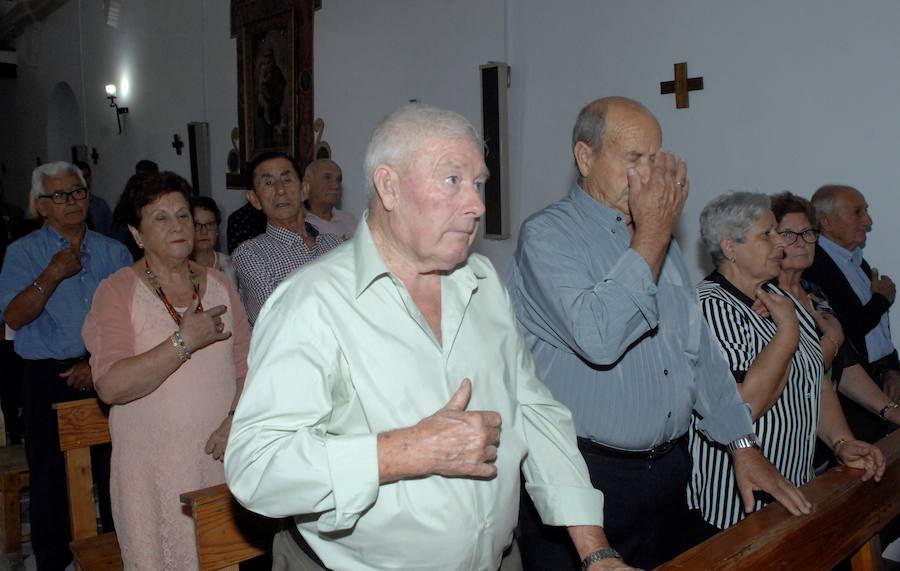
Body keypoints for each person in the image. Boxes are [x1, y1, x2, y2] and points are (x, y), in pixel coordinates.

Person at [226, 103, 634, 571]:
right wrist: (409, 451)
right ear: (389, 186)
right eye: (452, 180)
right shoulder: (311, 303)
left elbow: (534, 412)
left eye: (477, 183)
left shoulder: (480, 283)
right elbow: (256, 467)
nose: (477, 203)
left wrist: (594, 549)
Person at [505, 96, 810, 570]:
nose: (649, 176)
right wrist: (652, 234)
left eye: (655, 159)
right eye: (633, 159)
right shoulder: (548, 237)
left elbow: (698, 352)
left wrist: (742, 444)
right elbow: (599, 338)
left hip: (667, 472)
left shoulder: (656, 242)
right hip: (583, 476)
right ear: (586, 158)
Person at [687, 191, 883, 534]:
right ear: (730, 247)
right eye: (768, 235)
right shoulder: (710, 307)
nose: (780, 242)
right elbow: (744, 406)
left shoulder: (779, 298)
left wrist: (841, 441)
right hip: (735, 501)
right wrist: (788, 331)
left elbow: (815, 380)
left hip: (795, 484)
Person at [82, 171, 250, 569]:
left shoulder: (221, 284)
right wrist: (183, 343)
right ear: (137, 234)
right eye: (160, 217)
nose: (177, 225)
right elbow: (111, 386)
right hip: (150, 473)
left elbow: (249, 369)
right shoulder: (116, 291)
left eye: (183, 215)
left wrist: (233, 420)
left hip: (217, 458)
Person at [0, 161, 130, 570]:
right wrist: (53, 273)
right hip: (47, 377)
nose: (72, 201)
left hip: (108, 370)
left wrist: (97, 362)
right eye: (60, 195)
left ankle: (119, 555)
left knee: (116, 474)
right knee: (50, 483)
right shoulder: (21, 253)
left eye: (77, 192)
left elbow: (133, 317)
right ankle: (54, 563)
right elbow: (14, 317)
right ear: (42, 206)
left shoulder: (114, 251)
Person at [804, 185, 900, 442]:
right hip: (849, 398)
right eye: (857, 212)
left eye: (866, 211)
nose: (868, 221)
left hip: (879, 384)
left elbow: (877, 329)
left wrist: (892, 367)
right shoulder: (814, 266)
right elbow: (844, 330)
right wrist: (881, 299)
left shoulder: (856, 260)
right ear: (826, 221)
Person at [231, 151, 341, 324]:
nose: (280, 190)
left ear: (304, 189)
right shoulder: (250, 254)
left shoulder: (333, 244)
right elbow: (276, 321)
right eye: (268, 183)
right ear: (254, 199)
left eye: (287, 180)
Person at [303, 158, 358, 240]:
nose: (336, 185)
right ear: (307, 184)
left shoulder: (349, 220)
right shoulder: (298, 223)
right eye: (327, 178)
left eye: (338, 180)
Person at [191, 196, 238, 287]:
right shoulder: (178, 268)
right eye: (196, 225)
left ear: (217, 230)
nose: (204, 231)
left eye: (209, 224)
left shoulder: (231, 265)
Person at [74, 160, 113, 236]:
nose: (84, 181)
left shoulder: (100, 205)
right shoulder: (69, 205)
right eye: (80, 177)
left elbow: (111, 232)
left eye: (86, 176)